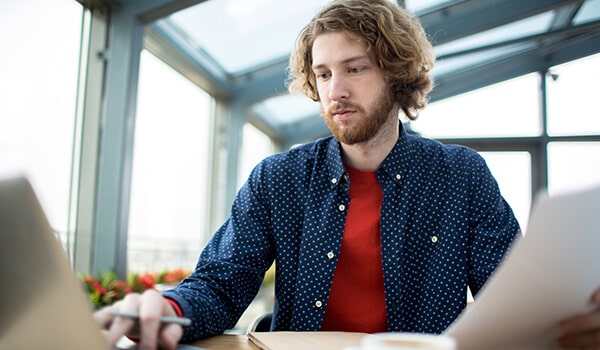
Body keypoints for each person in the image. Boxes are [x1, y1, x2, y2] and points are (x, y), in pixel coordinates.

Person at [94, 0, 600, 349]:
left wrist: (571, 318)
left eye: (354, 69)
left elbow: (509, 295)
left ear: (396, 74)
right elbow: (221, 285)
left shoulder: (461, 176)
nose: (335, 90)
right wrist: (166, 306)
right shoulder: (278, 178)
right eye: (323, 73)